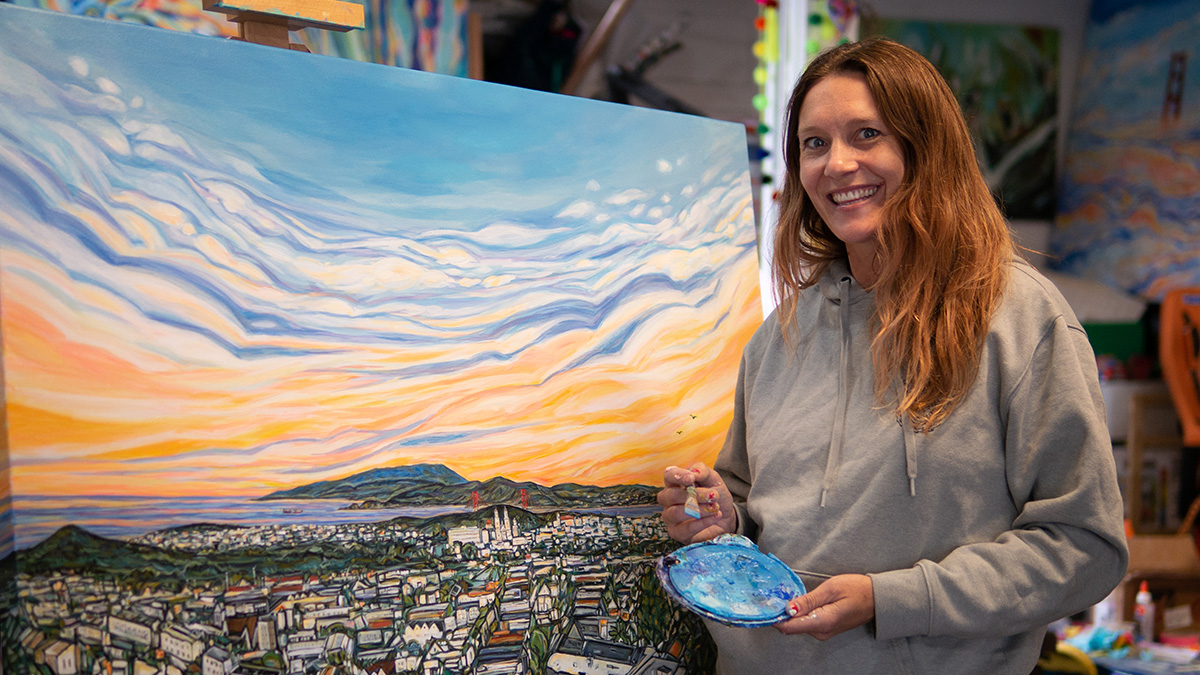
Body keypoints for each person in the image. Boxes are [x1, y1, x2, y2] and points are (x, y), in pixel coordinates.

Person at [658, 37, 1128, 674]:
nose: (838, 164)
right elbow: (759, 510)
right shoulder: (780, 336)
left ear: (923, 148)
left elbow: (1084, 547)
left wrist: (892, 599)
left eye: (866, 134)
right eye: (815, 144)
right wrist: (722, 517)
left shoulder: (1020, 320)